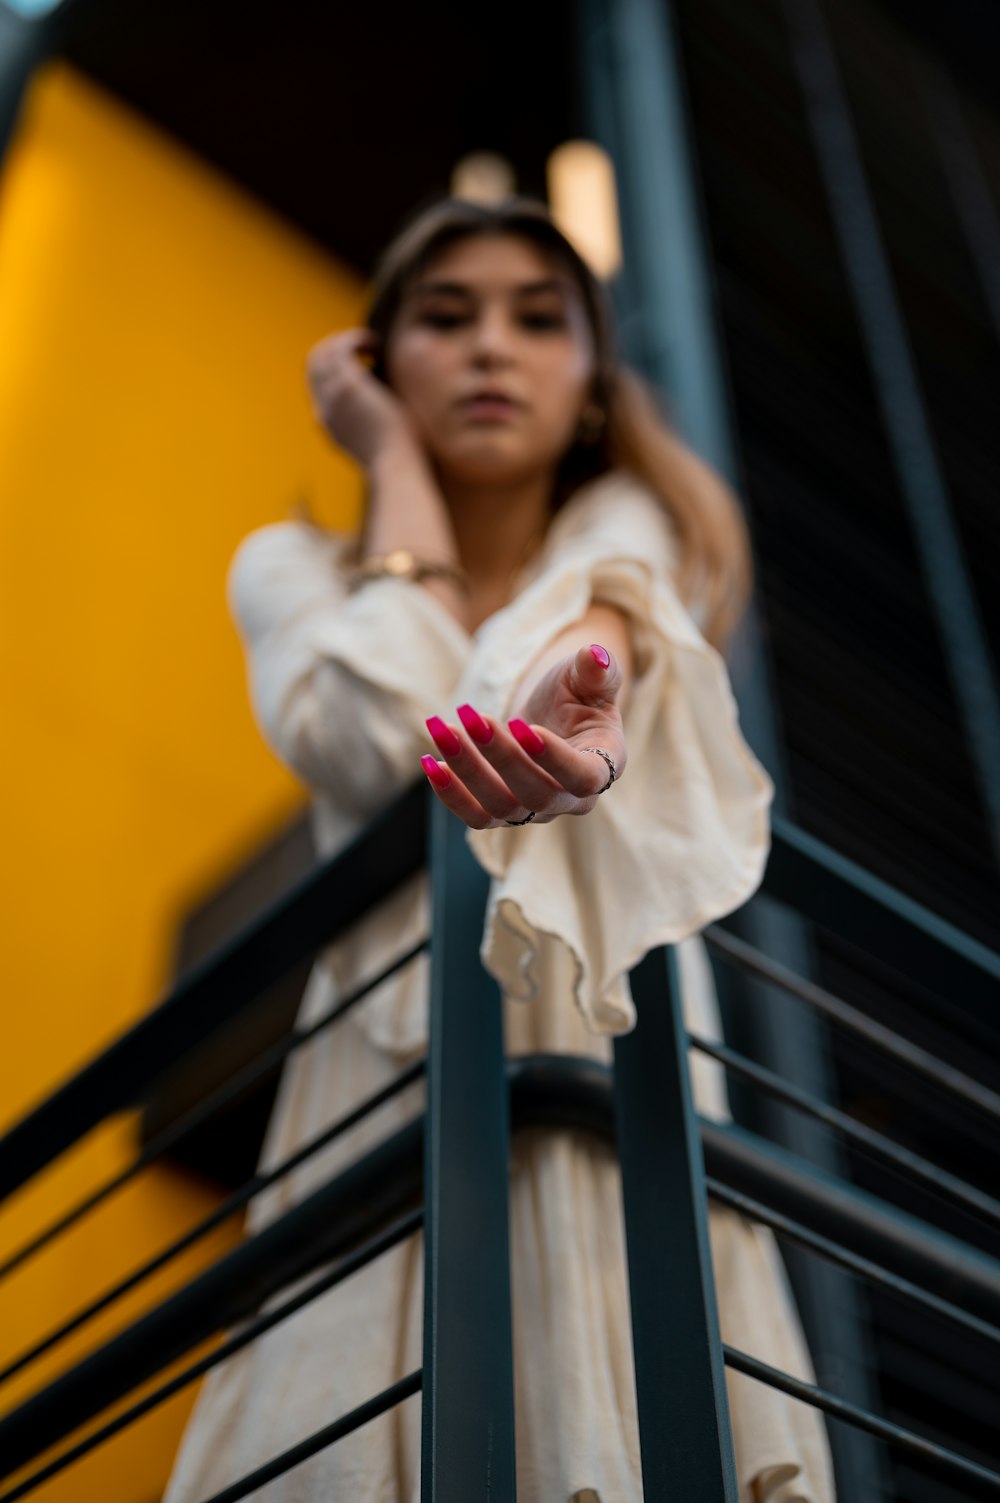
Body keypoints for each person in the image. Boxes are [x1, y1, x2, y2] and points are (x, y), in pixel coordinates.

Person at [163, 195, 836, 1502]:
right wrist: (396, 479)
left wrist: (580, 693)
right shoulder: (289, 563)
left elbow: (604, 616)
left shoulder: (626, 530)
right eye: (444, 316)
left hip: (607, 1039)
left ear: (589, 385)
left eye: (538, 321)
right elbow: (378, 737)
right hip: (382, 1054)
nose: (490, 350)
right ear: (373, 365)